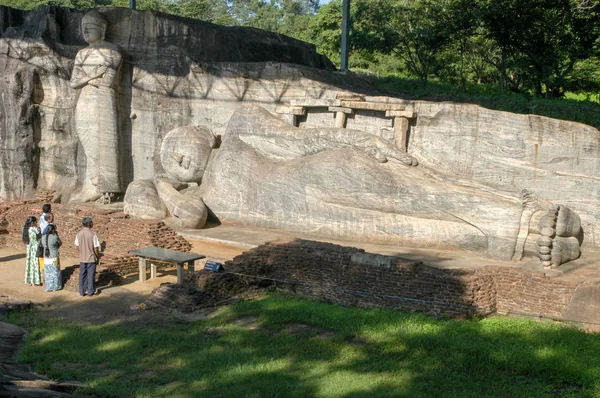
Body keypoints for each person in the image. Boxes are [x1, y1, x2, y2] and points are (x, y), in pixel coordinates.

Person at [70, 10, 123, 202]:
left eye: (90, 27)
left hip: (102, 100)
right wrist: (93, 75)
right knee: (87, 140)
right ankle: (90, 184)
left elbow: (108, 81)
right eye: (83, 27)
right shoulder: (81, 53)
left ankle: (101, 187)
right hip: (84, 99)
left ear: (103, 29)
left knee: (102, 141)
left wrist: (91, 78)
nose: (85, 31)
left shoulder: (113, 51)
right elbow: (74, 82)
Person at [74, 217, 101, 297]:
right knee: (90, 275)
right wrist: (97, 257)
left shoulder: (79, 234)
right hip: (91, 258)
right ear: (89, 224)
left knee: (82, 275)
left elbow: (77, 246)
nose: (93, 223)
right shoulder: (93, 234)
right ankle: (90, 292)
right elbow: (96, 248)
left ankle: (82, 292)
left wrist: (82, 252)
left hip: (82, 258)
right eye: (92, 222)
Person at [42, 223, 63, 292]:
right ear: (53, 230)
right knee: (55, 271)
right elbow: (60, 243)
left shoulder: (43, 237)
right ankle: (56, 287)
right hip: (54, 256)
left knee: (48, 273)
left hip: (46, 257)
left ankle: (48, 287)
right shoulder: (54, 237)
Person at [22, 216, 42, 286]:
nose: (36, 223)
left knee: (30, 263)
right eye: (35, 222)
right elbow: (39, 236)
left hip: (29, 248)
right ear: (32, 223)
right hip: (35, 247)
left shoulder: (24, 229)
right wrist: (39, 230)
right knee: (36, 264)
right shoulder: (34, 229)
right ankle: (37, 281)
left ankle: (30, 280)